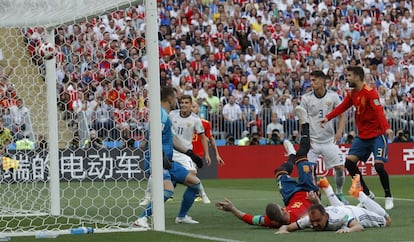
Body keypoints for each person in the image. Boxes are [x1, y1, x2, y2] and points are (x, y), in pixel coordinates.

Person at [216, 106, 320, 228]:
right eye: (281, 209)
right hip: (310, 192)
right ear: (281, 211)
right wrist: (316, 202)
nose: (283, 208)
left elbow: (250, 219)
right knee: (301, 156)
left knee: (279, 171)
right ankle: (306, 125)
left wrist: (233, 209)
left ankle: (291, 155)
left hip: (291, 195)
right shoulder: (301, 219)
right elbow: (323, 213)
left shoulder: (271, 221)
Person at [320, 65, 394, 210]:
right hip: (363, 137)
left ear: (358, 77)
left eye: (349, 76)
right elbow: (342, 107)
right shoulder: (352, 94)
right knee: (349, 164)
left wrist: (386, 128)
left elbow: (379, 112)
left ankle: (388, 196)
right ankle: (367, 194)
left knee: (378, 166)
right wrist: (328, 117)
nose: (347, 78)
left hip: (377, 135)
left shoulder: (370, 93)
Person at [132, 87, 202, 227]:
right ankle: (141, 219)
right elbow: (153, 138)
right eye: (176, 98)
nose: (177, 100)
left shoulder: (165, 115)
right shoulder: (161, 116)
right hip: (157, 160)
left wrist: (190, 153)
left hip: (167, 161)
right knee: (168, 190)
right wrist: (159, 157)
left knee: (195, 184)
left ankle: (182, 217)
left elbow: (172, 140)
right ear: (170, 98)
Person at [276, 175, 391, 234]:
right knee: (339, 208)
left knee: (387, 221)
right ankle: (328, 188)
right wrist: (283, 229)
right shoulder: (310, 220)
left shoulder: (340, 218)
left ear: (325, 216)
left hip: (355, 213)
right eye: (313, 221)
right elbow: (288, 226)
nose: (314, 224)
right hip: (338, 208)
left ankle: (360, 194)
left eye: (317, 221)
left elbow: (358, 226)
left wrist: (348, 230)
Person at [300, 70, 347, 204]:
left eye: (314, 80)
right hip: (313, 141)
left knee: (339, 167)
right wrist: (305, 138)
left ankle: (339, 193)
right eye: (311, 80)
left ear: (322, 81)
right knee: (309, 170)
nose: (312, 83)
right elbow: (302, 118)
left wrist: (339, 131)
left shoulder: (333, 97)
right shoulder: (306, 98)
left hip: (329, 140)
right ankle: (314, 195)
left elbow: (342, 114)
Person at [191, 101, 225, 203]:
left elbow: (211, 139)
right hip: (183, 152)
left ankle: (199, 194)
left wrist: (217, 155)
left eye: (194, 106)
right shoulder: (183, 122)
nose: (192, 108)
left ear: (198, 109)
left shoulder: (205, 123)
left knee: (192, 172)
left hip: (196, 153)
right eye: (191, 106)